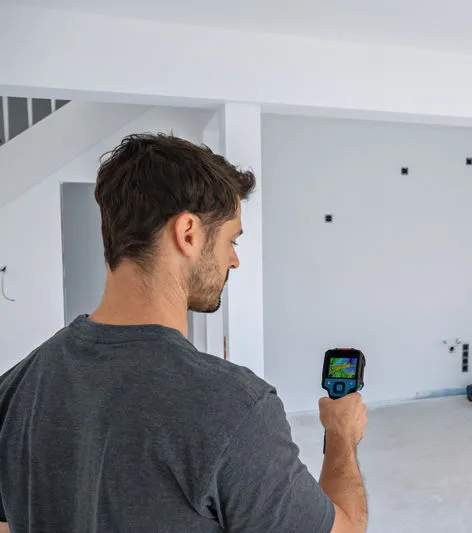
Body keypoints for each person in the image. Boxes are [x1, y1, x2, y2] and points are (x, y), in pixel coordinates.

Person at [0, 134, 368, 533]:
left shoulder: (16, 387)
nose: (234, 260)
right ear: (188, 233)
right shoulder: (234, 406)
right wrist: (341, 437)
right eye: (231, 240)